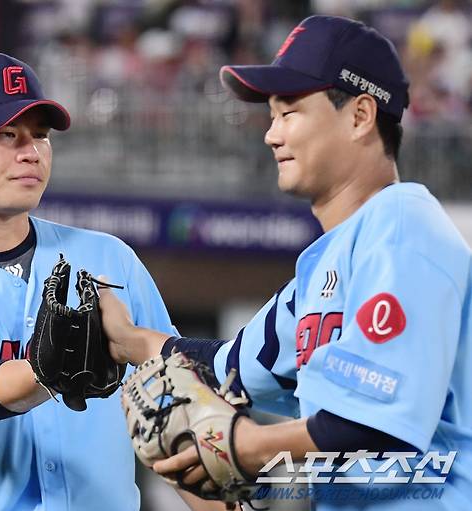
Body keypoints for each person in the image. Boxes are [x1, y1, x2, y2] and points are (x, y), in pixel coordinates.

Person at [99, 15, 471, 510]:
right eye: (272, 117)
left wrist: (241, 446)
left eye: (290, 112)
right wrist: (128, 340)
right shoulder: (323, 265)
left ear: (361, 116)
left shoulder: (403, 227)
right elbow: (228, 366)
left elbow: (376, 425)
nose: (272, 136)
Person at [0, 52, 220, 511]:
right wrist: (48, 369)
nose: (30, 151)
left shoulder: (110, 261)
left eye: (41, 136)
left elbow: (172, 417)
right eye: (6, 134)